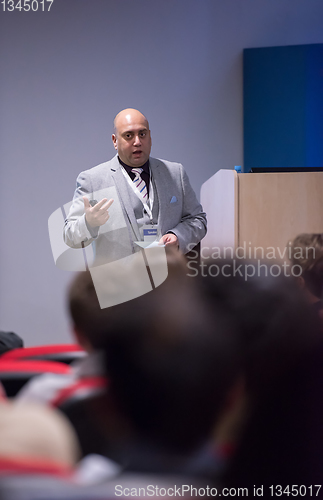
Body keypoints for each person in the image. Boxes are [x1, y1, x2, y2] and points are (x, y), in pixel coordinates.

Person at [63, 108, 207, 265]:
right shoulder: (92, 180)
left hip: (168, 281)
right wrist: (89, 223)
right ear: (114, 140)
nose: (137, 141)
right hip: (119, 284)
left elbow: (197, 219)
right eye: (128, 135)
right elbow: (70, 236)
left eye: (142, 134)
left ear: (150, 137)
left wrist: (178, 236)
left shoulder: (175, 173)